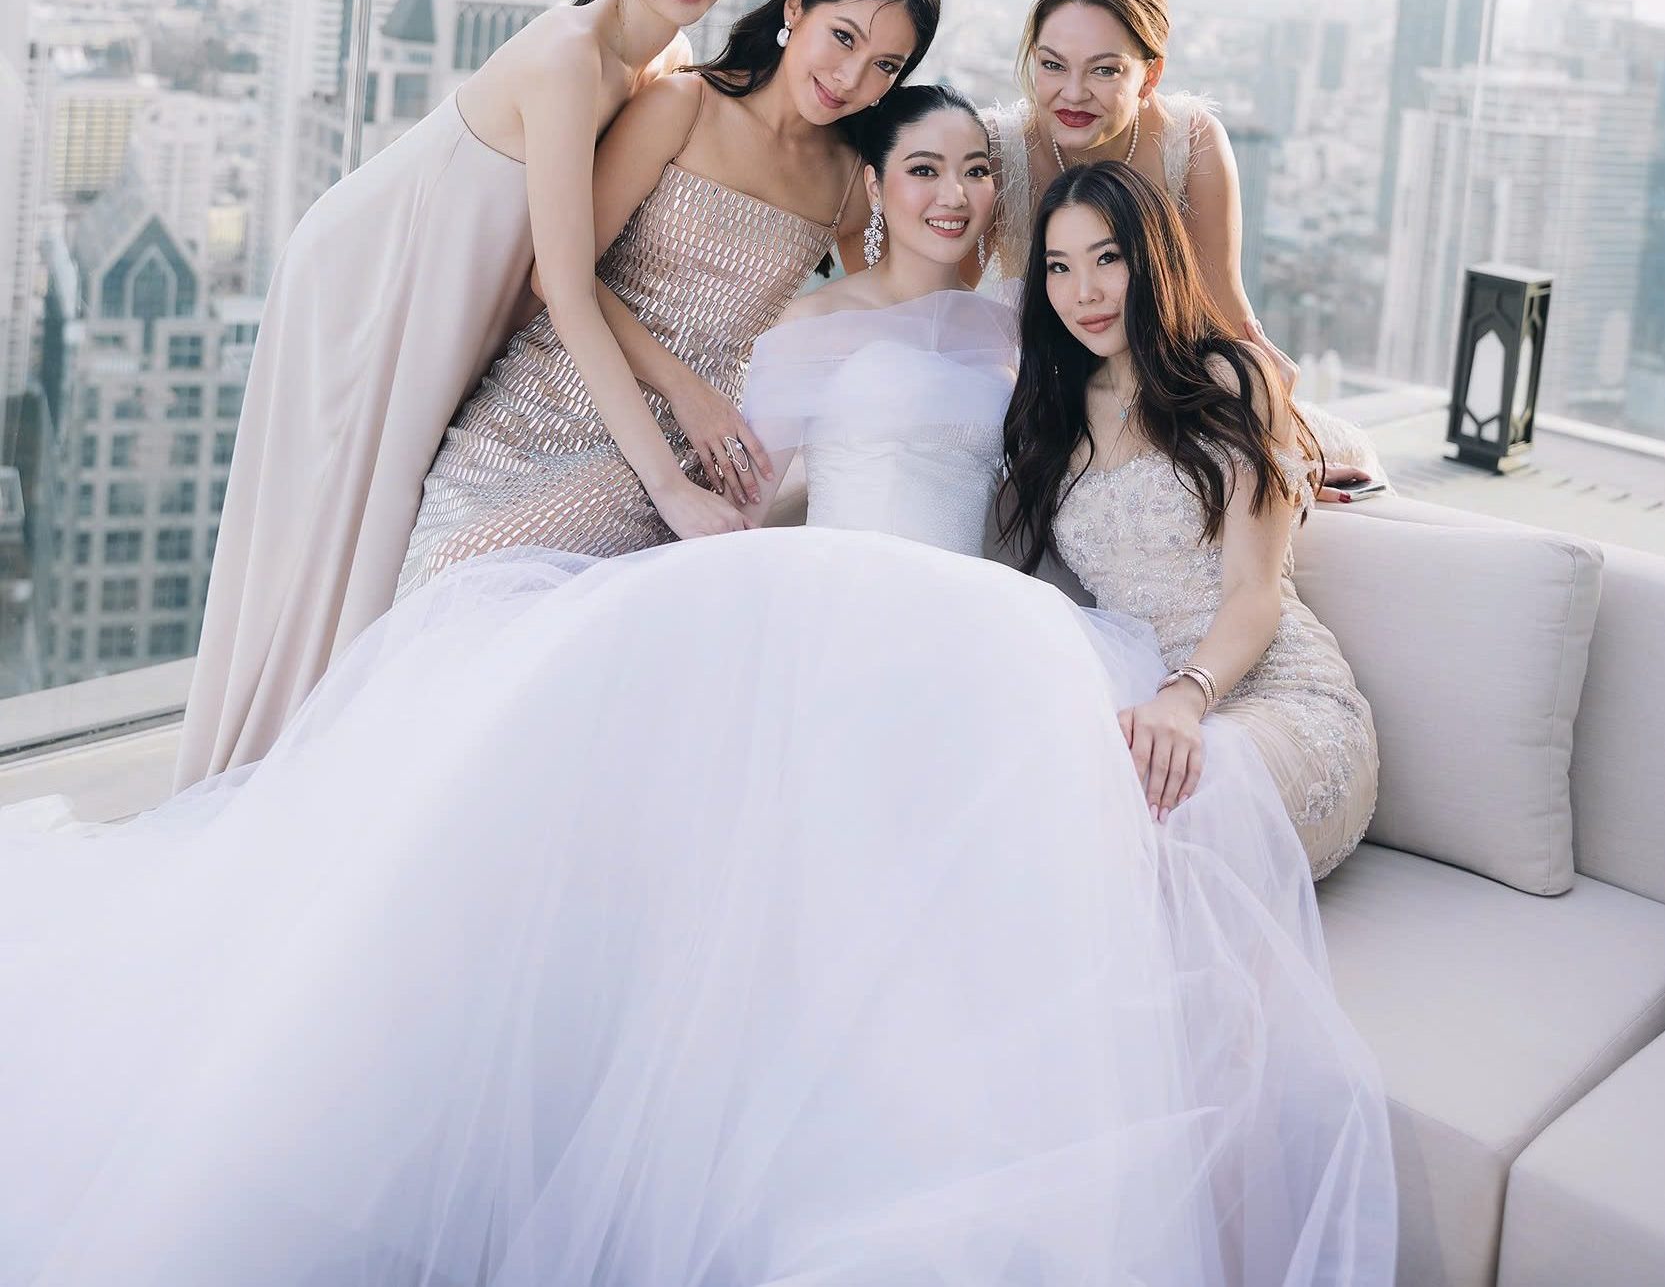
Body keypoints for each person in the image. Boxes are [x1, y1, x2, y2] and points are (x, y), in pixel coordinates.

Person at [0, 88, 1394, 1284]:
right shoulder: (808, 329)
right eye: (923, 166)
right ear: (873, 186)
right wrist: (646, 535)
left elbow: (1157, 434)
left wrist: (1311, 433)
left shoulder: (1031, 346)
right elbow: (745, 472)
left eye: (979, 170)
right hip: (837, 593)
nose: (958, 194)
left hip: (977, 622)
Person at [175, 0, 745, 789]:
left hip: (459, 293)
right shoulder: (569, 57)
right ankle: (269, 781)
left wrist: (689, 381)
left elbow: (575, 267)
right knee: (333, 538)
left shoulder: (670, 59)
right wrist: (670, 485)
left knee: (374, 531)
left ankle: (319, 777)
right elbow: (566, 289)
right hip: (374, 282)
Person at [395, 0, 938, 593]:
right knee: (449, 570)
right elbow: (558, 277)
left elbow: (891, 303)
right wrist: (688, 390)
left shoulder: (851, 185)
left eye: (885, 65)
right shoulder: (683, 104)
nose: (850, 78)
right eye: (844, 37)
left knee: (486, 586)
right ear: (796, 8)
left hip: (687, 452)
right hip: (546, 402)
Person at [1001, 158, 1380, 877]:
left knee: (1154, 835)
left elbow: (1253, 591)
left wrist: (1184, 697)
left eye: (1107, 258)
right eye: (1058, 267)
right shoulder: (1049, 418)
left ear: (1151, 258)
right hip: (1147, 700)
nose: (1084, 293)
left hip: (1276, 697)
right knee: (1045, 817)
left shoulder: (1231, 379)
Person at [984, 0, 1381, 495]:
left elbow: (1224, 313)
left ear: (1150, 75)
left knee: (1352, 460)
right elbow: (938, 304)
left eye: (1104, 70)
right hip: (1035, 411)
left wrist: (1281, 453)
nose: (1072, 93)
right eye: (1052, 65)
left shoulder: (1190, 142)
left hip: (1171, 405)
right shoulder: (996, 153)